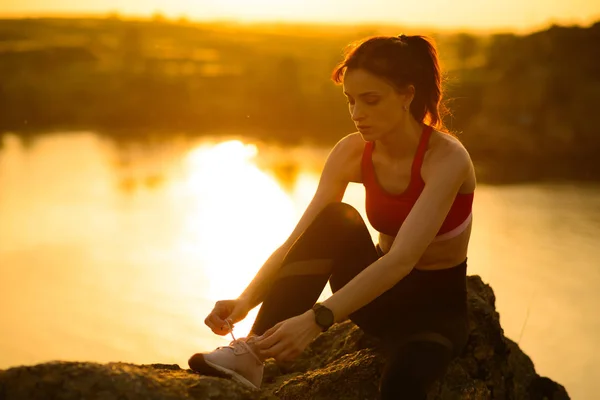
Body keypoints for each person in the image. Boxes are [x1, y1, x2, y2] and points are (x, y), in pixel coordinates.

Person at [188, 34, 476, 399]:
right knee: (337, 219)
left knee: (399, 388)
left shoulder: (446, 158)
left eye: (371, 100)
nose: (358, 114)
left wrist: (316, 321)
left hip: (432, 316)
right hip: (374, 300)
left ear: (407, 95)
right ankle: (253, 352)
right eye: (351, 101)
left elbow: (403, 260)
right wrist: (245, 302)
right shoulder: (351, 152)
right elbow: (301, 237)